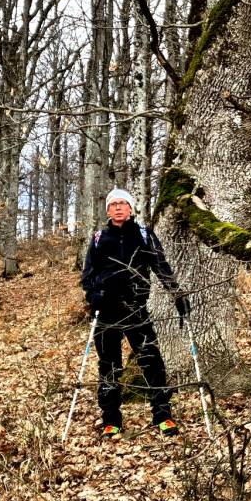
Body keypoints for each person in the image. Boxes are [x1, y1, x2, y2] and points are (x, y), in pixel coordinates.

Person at [80, 188, 191, 439]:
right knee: (109, 366)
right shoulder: (99, 238)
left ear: (131, 208)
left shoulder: (143, 234)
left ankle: (163, 416)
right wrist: (94, 296)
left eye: (123, 203)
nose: (118, 207)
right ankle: (111, 420)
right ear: (108, 210)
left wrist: (178, 295)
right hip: (107, 312)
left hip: (136, 309)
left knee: (152, 361)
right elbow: (88, 275)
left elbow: (161, 266)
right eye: (113, 204)